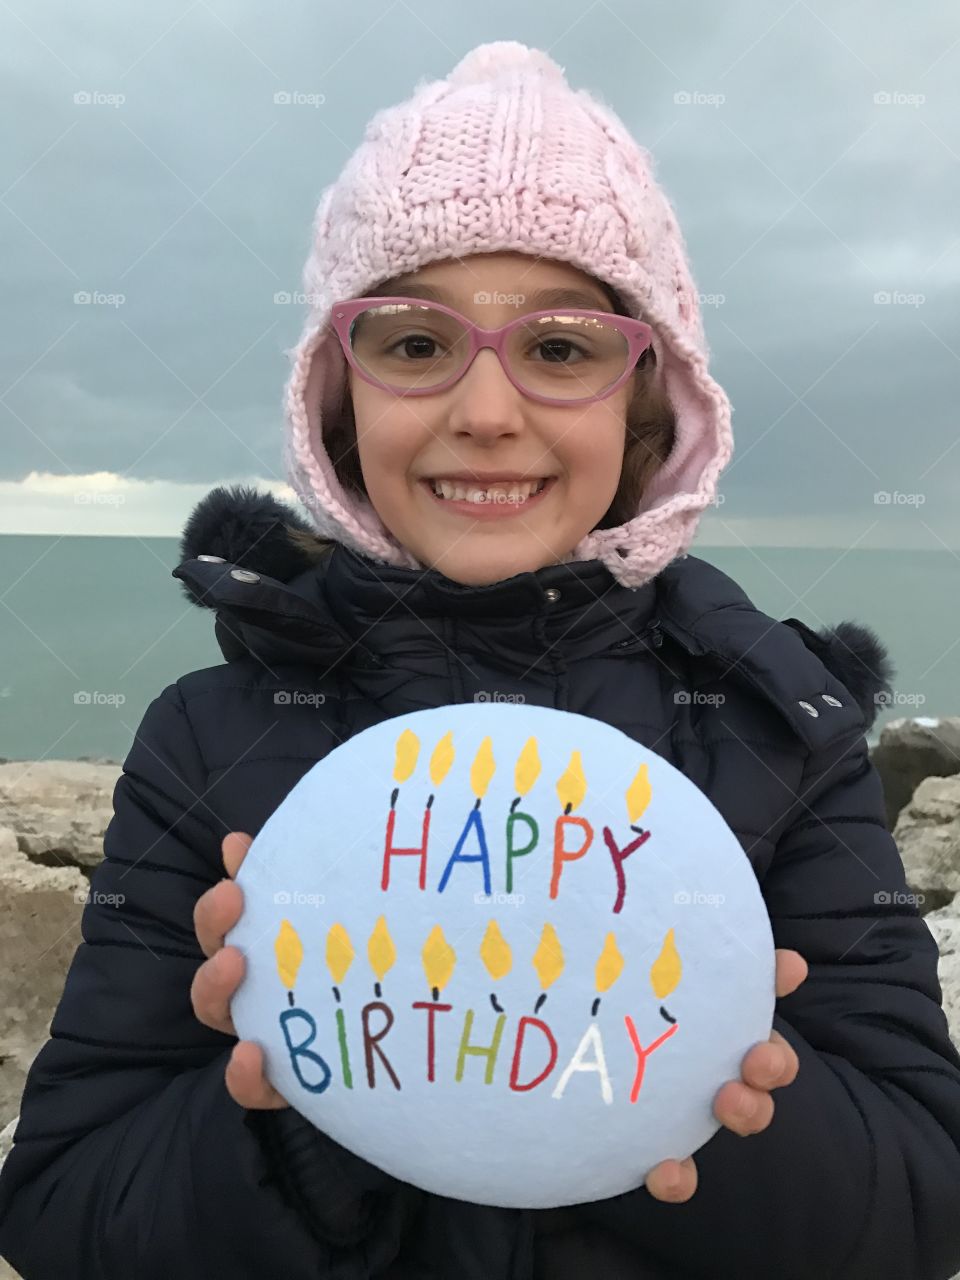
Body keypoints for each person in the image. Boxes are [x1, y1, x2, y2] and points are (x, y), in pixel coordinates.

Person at [2, 39, 959, 1280]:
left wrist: (699, 1091)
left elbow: (925, 1196)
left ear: (645, 403)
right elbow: (65, 1200)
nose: (489, 410)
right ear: (338, 399)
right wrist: (325, 1087)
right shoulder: (210, 739)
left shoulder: (780, 726)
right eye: (413, 343)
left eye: (562, 347)